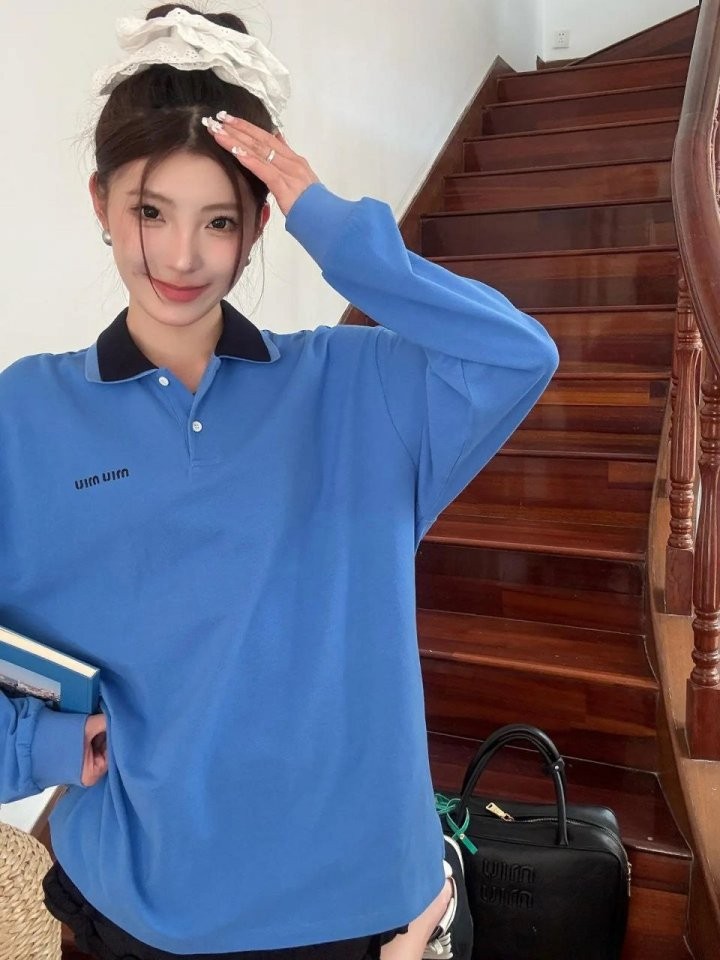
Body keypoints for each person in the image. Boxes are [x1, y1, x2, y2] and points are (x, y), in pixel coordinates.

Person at [0, 5, 558, 960]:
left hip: (356, 908)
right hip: (144, 904)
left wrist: (335, 227)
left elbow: (518, 355)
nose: (183, 256)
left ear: (260, 223)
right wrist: (42, 748)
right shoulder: (27, 414)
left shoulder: (356, 386)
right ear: (100, 203)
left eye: (220, 220)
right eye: (150, 212)